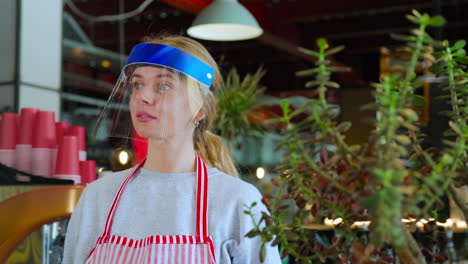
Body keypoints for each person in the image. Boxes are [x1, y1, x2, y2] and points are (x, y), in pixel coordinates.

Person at [62, 35, 282, 264]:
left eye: (164, 85)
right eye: (137, 84)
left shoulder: (237, 202)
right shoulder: (98, 197)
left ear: (200, 110)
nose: (142, 97)